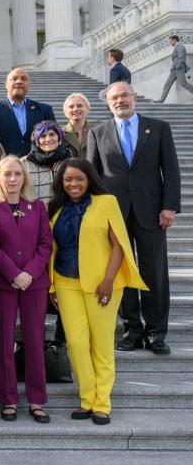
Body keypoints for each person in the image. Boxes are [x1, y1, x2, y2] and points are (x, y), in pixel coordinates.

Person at [47, 158, 146, 424]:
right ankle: (86, 398)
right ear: (61, 182)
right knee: (76, 343)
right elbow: (51, 248)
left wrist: (109, 279)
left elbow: (118, 245)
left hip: (103, 284)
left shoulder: (107, 202)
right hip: (66, 281)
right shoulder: (55, 207)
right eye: (68, 179)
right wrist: (52, 285)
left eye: (79, 178)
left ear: (89, 178)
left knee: (101, 344)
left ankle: (102, 403)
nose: (73, 184)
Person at [87, 82, 181, 355]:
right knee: (121, 273)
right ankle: (131, 329)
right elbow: (93, 177)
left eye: (124, 95)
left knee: (155, 273)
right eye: (114, 97)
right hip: (114, 215)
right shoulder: (97, 132)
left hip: (152, 212)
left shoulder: (159, 128)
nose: (120, 101)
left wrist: (169, 207)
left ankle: (155, 332)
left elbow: (171, 171)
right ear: (108, 102)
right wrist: (96, 217)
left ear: (134, 97)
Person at [0, 156, 53, 424]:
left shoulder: (36, 207)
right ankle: (8, 399)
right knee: (3, 341)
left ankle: (36, 399)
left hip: (34, 283)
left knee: (35, 340)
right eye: (7, 174)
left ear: (24, 177)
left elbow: (45, 244)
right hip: (2, 282)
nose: (12, 179)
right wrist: (13, 273)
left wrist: (29, 273)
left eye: (17, 174)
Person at [0, 67, 57, 157]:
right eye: (14, 79)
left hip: (39, 165)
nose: (19, 81)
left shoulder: (45, 110)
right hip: (6, 167)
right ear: (6, 84)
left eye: (23, 79)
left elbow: (54, 138)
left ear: (28, 84)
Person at [21, 120, 72, 204]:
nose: (48, 139)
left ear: (59, 138)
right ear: (37, 141)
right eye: (43, 136)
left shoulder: (70, 161)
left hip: (63, 212)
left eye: (52, 134)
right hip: (35, 213)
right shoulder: (24, 163)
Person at [155, 34, 193, 102]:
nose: (170, 43)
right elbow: (176, 58)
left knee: (183, 83)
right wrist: (173, 68)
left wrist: (177, 67)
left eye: (170, 41)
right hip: (173, 71)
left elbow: (181, 57)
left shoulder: (180, 46)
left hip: (179, 69)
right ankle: (161, 100)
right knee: (167, 84)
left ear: (174, 40)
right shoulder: (176, 47)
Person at [61, 93, 92, 157]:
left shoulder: (97, 132)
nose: (75, 109)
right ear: (66, 111)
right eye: (71, 107)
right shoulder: (59, 133)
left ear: (87, 108)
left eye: (79, 106)